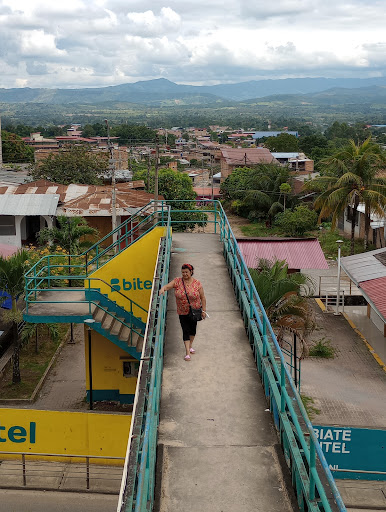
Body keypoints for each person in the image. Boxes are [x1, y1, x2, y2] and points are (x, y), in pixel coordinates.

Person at [160, 263, 206, 361]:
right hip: (182, 311)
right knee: (185, 330)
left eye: (186, 272)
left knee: (193, 330)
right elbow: (168, 286)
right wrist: (163, 288)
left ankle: (190, 345)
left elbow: (202, 297)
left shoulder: (197, 283)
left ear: (191, 272)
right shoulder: (177, 281)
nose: (184, 274)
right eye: (183, 272)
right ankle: (187, 352)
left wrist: (204, 311)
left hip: (195, 310)